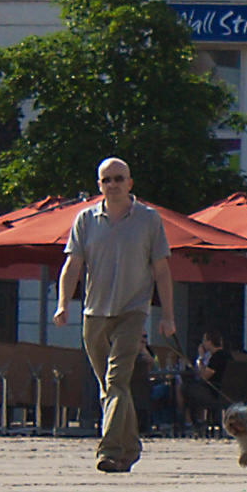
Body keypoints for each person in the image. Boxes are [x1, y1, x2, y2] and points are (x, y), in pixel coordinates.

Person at [53, 157, 176, 473]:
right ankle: (131, 446)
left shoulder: (149, 219)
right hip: (94, 312)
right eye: (106, 180)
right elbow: (72, 266)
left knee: (116, 379)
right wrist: (63, 303)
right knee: (111, 388)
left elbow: (161, 270)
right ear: (99, 185)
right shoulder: (85, 220)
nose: (113, 185)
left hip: (132, 311)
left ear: (130, 183)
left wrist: (168, 316)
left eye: (119, 178)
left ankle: (108, 450)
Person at [181, 329, 235, 429]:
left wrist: (200, 358)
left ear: (209, 342)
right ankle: (200, 419)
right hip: (228, 391)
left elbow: (204, 376)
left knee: (185, 388)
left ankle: (191, 421)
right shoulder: (228, 355)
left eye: (204, 341)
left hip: (215, 392)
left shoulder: (217, 357)